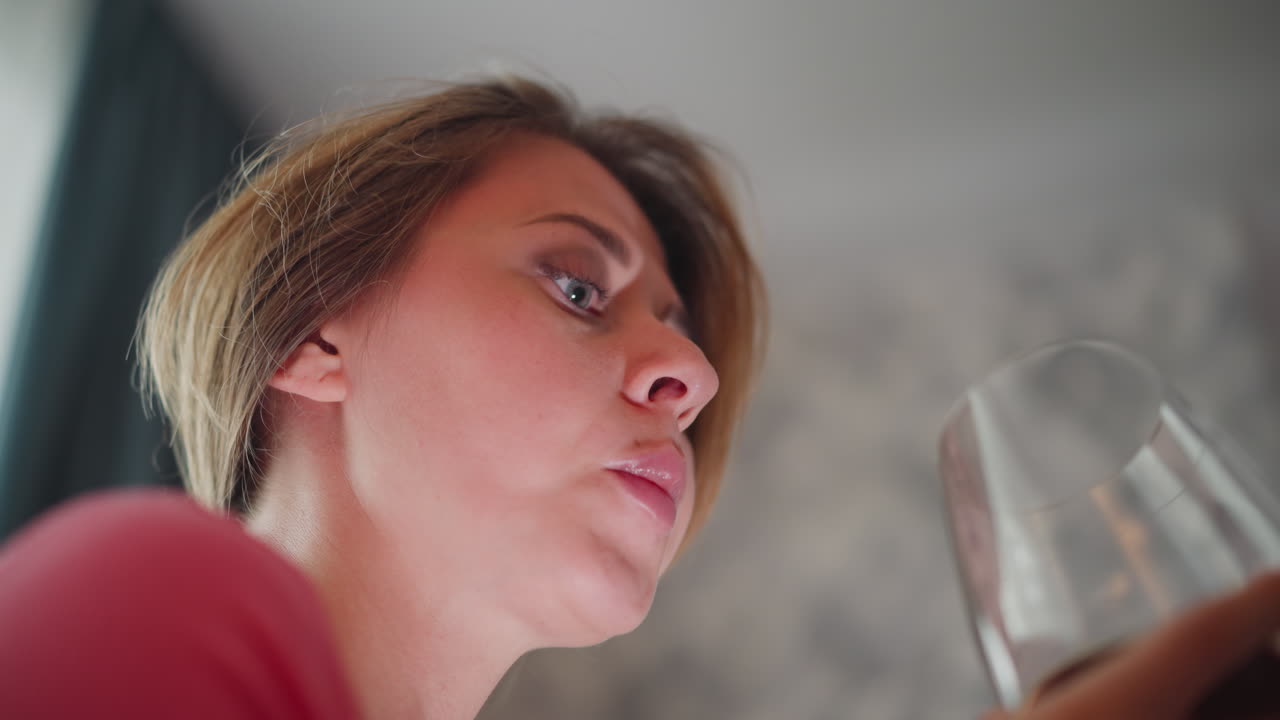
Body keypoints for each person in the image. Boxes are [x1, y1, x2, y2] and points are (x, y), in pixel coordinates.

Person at [0, 73, 1278, 719]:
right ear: (315, 336)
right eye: (574, 286)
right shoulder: (142, 583)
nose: (695, 378)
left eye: (673, 325)